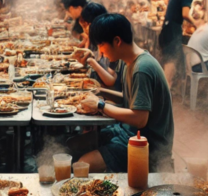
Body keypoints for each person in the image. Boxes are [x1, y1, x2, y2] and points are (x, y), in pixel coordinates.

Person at [69, 14, 174, 173]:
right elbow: (128, 100)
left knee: (83, 163)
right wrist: (96, 92)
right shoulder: (128, 62)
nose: (101, 52)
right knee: (72, 144)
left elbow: (139, 118)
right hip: (126, 132)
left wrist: (100, 105)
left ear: (117, 41)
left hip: (145, 145)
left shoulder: (142, 68)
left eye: (102, 45)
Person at [158, 0, 206, 87]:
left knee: (169, 62)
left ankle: (165, 89)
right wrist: (196, 24)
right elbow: (185, 14)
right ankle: (165, 91)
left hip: (166, 29)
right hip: (173, 31)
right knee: (171, 63)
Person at [73, 3, 124, 92]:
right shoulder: (98, 39)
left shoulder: (109, 42)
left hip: (110, 95)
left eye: (86, 25)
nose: (85, 30)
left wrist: (93, 63)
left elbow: (111, 81)